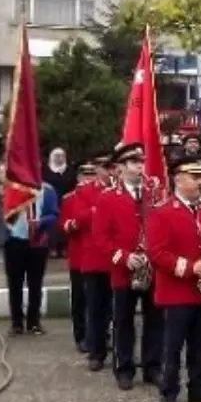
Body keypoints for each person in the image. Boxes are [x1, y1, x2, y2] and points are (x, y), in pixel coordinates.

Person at [145, 155, 201, 402]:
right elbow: (157, 254)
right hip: (176, 292)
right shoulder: (162, 212)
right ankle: (168, 393)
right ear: (178, 179)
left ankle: (200, 387)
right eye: (195, 177)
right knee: (172, 346)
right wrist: (191, 267)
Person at [97, 143, 165, 391]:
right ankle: (123, 369)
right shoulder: (108, 198)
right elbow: (101, 238)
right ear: (122, 167)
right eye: (135, 163)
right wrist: (122, 257)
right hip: (123, 271)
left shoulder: (155, 195)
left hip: (152, 268)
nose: (140, 167)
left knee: (155, 320)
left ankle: (152, 367)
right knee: (123, 321)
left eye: (142, 162)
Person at [4, 180, 59, 335]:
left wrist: (40, 222)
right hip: (15, 240)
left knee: (35, 283)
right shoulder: (13, 188)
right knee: (15, 284)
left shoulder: (47, 189)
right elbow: (3, 212)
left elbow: (54, 214)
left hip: (38, 241)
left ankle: (34, 322)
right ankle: (16, 323)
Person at [76, 152, 116, 369]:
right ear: (96, 169)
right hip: (93, 257)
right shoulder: (85, 191)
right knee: (95, 307)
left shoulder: (120, 190)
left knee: (117, 309)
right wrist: (98, 209)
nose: (108, 171)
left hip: (115, 258)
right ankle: (96, 352)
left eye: (111, 166)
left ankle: (120, 351)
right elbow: (79, 219)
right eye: (104, 167)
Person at [60, 159, 99, 353]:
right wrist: (79, 221)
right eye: (85, 175)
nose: (89, 178)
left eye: (92, 174)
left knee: (99, 300)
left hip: (99, 256)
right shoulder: (70, 199)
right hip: (78, 256)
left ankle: (99, 335)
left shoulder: (102, 195)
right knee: (80, 299)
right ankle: (81, 335)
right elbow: (65, 226)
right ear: (78, 177)